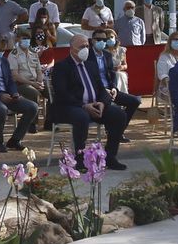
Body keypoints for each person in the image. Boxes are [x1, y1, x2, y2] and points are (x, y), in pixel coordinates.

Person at [49, 35, 129, 170]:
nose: (85, 49)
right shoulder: (62, 67)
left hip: (95, 105)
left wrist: (103, 102)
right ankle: (79, 159)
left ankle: (110, 157)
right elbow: (62, 93)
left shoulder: (91, 65)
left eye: (87, 46)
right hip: (70, 107)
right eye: (82, 47)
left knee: (119, 115)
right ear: (72, 49)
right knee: (81, 116)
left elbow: (101, 89)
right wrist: (84, 105)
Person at [89, 29, 141, 121]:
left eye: (104, 40)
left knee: (135, 101)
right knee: (116, 111)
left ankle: (119, 131)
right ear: (92, 40)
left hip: (110, 90)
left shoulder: (107, 55)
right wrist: (103, 89)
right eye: (98, 39)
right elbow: (88, 78)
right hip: (96, 91)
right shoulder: (88, 56)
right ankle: (114, 130)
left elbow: (110, 75)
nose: (102, 42)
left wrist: (114, 88)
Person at [10, 31, 47, 108]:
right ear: (18, 40)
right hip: (21, 84)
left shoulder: (34, 53)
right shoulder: (13, 54)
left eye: (28, 38)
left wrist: (39, 82)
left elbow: (39, 71)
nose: (26, 40)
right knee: (34, 94)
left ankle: (50, 118)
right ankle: (34, 119)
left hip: (36, 82)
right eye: (24, 38)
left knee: (52, 91)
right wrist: (32, 84)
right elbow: (15, 75)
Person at [155, 36, 178, 109]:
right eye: (175, 40)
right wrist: (169, 81)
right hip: (168, 86)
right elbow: (162, 74)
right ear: (170, 42)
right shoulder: (164, 56)